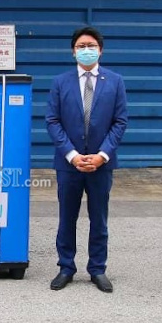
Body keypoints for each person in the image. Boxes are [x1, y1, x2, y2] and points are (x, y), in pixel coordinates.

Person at [45, 26, 128, 292]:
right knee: (66, 217)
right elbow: (53, 121)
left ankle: (98, 269)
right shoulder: (61, 82)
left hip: (101, 164)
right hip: (69, 164)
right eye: (81, 46)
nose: (86, 50)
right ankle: (66, 267)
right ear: (73, 51)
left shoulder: (114, 81)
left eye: (91, 45)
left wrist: (102, 155)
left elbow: (120, 122)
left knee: (99, 218)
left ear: (100, 50)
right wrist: (71, 155)